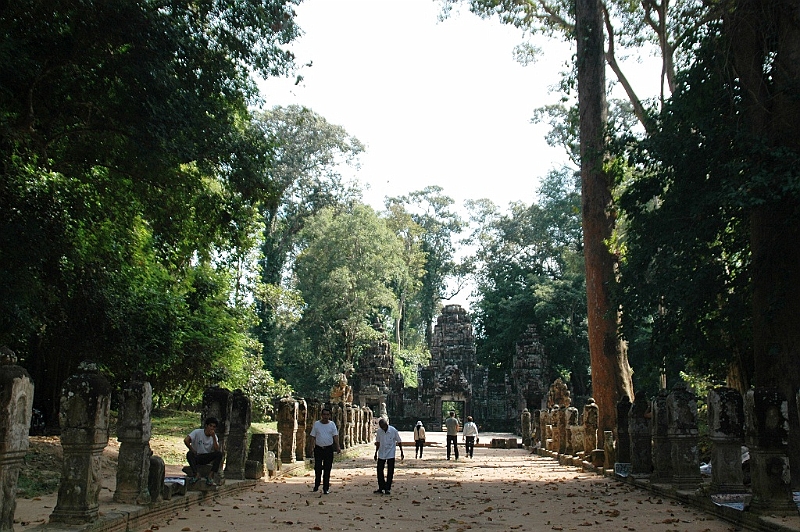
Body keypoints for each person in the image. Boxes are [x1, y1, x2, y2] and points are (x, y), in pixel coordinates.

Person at [309, 407, 340, 494]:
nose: (326, 416)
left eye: (327, 415)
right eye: (324, 415)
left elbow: (335, 436)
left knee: (327, 468)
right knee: (318, 468)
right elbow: (313, 436)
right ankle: (317, 483)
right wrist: (311, 448)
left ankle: (325, 488)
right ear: (321, 415)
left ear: (329, 416)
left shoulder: (332, 424)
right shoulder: (317, 424)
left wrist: (337, 446)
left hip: (328, 449)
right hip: (318, 449)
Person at [184, 417, 223, 485]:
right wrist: (192, 449)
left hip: (206, 456)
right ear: (206, 426)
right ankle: (196, 474)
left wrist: (213, 437)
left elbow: (216, 449)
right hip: (197, 456)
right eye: (210, 426)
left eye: (214, 427)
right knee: (189, 454)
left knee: (219, 454)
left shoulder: (214, 437)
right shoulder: (197, 432)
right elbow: (186, 440)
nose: (211, 428)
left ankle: (210, 475)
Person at [373, 418, 403, 495]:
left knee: (390, 471)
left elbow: (399, 441)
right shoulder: (379, 431)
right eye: (381, 427)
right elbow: (378, 442)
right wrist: (376, 453)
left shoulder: (393, 430)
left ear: (387, 425)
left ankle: (387, 488)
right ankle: (381, 487)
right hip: (382, 452)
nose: (383, 428)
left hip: (390, 453)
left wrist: (401, 452)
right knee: (379, 470)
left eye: (384, 427)